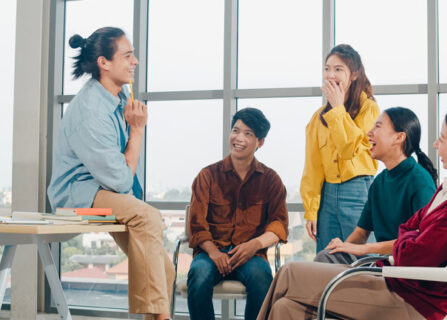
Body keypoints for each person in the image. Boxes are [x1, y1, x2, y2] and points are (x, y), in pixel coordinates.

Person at [257, 105, 447, 320]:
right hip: (398, 284)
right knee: (285, 309)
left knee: (289, 273)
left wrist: (409, 237)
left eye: (443, 138)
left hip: (411, 299)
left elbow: (416, 253)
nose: (436, 145)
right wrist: (411, 236)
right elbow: (411, 229)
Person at [47, 27, 174, 320]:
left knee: (164, 270)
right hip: (78, 194)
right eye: (128, 55)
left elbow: (120, 177)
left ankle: (154, 316)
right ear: (104, 63)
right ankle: (162, 318)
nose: (135, 62)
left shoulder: (119, 95)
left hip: (108, 190)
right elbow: (118, 179)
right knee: (147, 216)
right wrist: (138, 130)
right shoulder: (91, 109)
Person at [187, 108, 289, 320]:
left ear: (260, 142)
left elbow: (278, 226)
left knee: (262, 278)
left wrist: (254, 246)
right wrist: (214, 252)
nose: (239, 138)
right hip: (210, 253)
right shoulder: (207, 176)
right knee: (198, 275)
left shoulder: (271, 180)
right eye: (236, 130)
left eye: (248, 134)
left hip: (251, 255)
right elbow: (196, 225)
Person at [314, 107, 437, 264]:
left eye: (377, 127)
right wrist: (343, 247)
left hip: (403, 268)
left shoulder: (419, 181)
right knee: (326, 257)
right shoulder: (379, 182)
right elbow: (360, 233)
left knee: (315, 267)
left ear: (399, 137)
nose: (369, 133)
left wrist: (365, 249)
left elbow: (420, 240)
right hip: (381, 262)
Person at [301, 44, 380, 253]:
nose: (330, 75)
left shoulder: (369, 109)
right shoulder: (317, 118)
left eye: (338, 69)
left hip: (358, 189)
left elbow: (348, 150)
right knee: (327, 259)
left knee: (363, 259)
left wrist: (338, 108)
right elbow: (312, 168)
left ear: (353, 74)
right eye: (327, 69)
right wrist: (311, 210)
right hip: (328, 194)